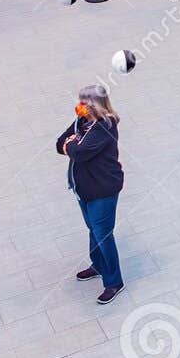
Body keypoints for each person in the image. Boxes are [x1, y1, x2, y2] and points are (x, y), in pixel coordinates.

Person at [55, 85, 125, 305]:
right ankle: (98, 265)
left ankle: (114, 281)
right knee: (92, 229)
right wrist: (71, 143)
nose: (80, 106)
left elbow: (80, 152)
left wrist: (72, 144)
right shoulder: (82, 122)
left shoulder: (105, 126)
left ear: (96, 105)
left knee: (103, 233)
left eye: (85, 103)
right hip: (83, 188)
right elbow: (60, 143)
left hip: (102, 189)